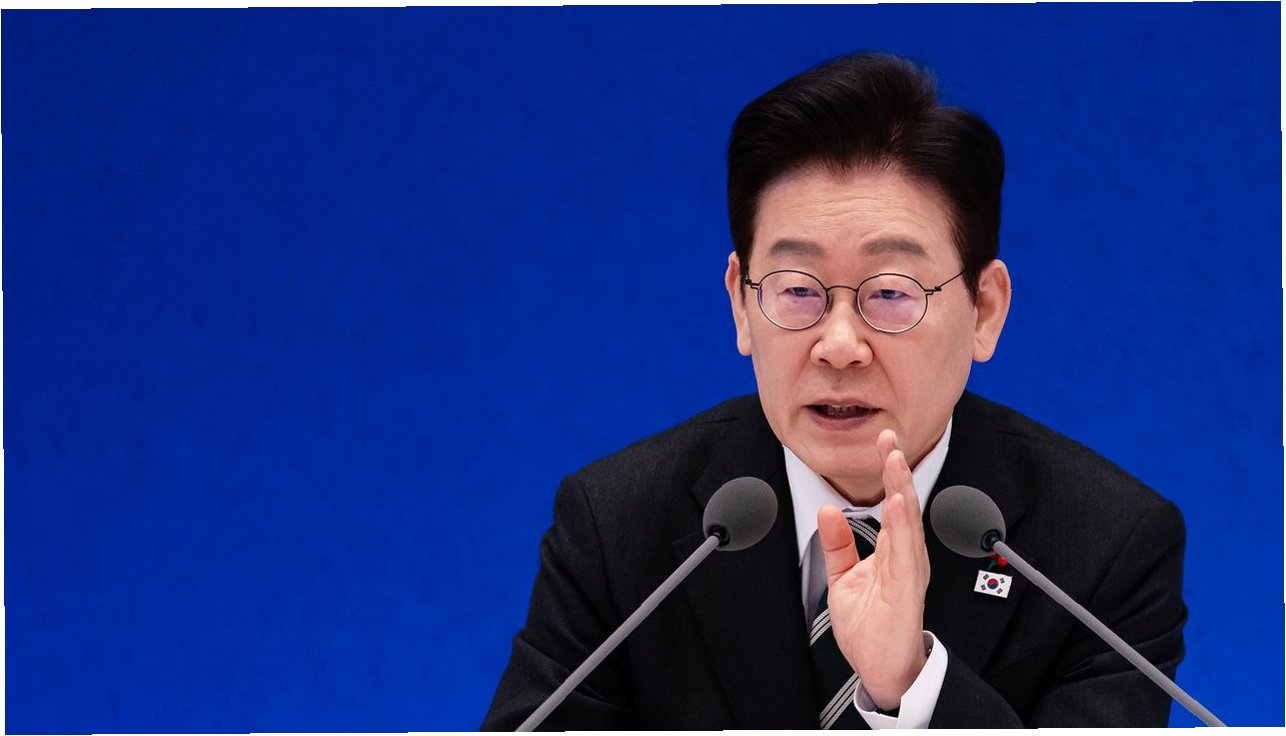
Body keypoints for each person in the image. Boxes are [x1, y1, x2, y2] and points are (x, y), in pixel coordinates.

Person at [481, 52, 1186, 729]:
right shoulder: (617, 525)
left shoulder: (1104, 547)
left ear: (984, 310)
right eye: (797, 290)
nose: (840, 344)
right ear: (740, 303)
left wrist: (911, 684)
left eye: (891, 292)